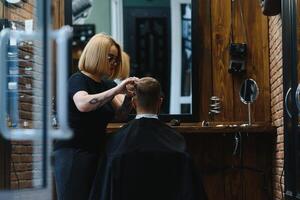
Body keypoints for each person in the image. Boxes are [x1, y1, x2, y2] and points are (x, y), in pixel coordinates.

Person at [89, 77, 207, 200]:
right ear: (160, 102)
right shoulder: (177, 142)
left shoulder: (116, 143)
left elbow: (104, 192)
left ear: (134, 103)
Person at [53, 33, 138, 200]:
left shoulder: (106, 84)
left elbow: (121, 115)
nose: (114, 63)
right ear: (97, 55)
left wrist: (128, 96)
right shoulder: (77, 80)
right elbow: (83, 104)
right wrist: (116, 90)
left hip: (96, 153)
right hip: (73, 154)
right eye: (110, 57)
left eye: (116, 59)